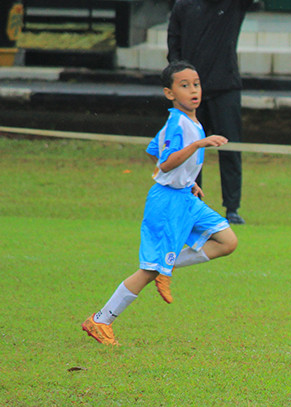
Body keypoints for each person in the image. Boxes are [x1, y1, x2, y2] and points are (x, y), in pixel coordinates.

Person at [81, 61, 238, 347]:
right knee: (149, 270)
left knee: (227, 241)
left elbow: (153, 150)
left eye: (196, 84)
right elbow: (165, 164)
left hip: (185, 197)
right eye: (184, 85)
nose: (193, 90)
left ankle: (167, 265)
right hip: (167, 202)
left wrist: (188, 180)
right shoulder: (178, 123)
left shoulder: (190, 120)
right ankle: (101, 319)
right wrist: (197, 146)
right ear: (169, 93)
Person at [168, 0, 253, 226]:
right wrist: (180, 81)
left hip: (225, 87)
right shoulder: (184, 5)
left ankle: (232, 208)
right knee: (191, 149)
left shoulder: (232, 5)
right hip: (191, 89)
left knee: (230, 148)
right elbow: (174, 44)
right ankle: (192, 204)